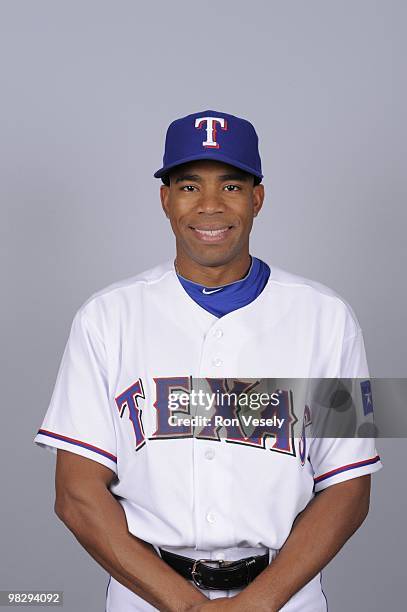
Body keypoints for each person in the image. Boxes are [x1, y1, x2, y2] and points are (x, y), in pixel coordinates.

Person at [34, 110, 383, 611]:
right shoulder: (105, 317)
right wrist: (188, 606)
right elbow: (76, 494)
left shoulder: (330, 318)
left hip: (285, 596)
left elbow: (350, 489)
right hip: (146, 594)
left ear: (258, 198)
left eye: (232, 186)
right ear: (165, 199)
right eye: (190, 186)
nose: (211, 206)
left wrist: (258, 603)